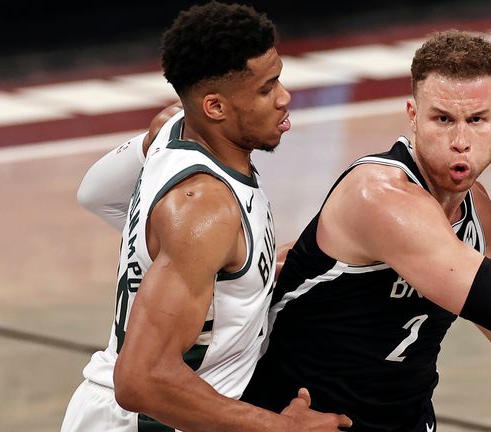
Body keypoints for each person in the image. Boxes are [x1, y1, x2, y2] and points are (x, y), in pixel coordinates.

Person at [239, 30, 491, 431]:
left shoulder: (476, 209)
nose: (461, 141)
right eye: (443, 119)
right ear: (413, 115)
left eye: (477, 120)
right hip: (304, 419)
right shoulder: (380, 197)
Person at [61, 2, 351, 431]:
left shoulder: (169, 129)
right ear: (215, 107)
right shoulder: (205, 208)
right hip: (148, 421)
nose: (285, 97)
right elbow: (141, 381)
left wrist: (228, 269)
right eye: (266, 88)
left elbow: (95, 194)